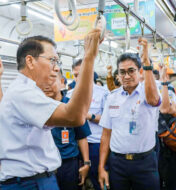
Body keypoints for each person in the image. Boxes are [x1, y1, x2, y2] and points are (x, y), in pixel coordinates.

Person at [0, 29, 102, 189]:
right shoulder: (23, 93)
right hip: (29, 183)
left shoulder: (30, 91)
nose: (56, 68)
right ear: (30, 61)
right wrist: (89, 58)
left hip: (37, 179)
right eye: (52, 60)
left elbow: (79, 113)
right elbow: (75, 116)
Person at [98, 38, 161, 190]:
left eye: (131, 71)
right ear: (118, 75)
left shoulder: (147, 92)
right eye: (122, 72)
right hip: (118, 164)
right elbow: (106, 134)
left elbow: (153, 100)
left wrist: (146, 62)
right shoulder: (112, 98)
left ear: (140, 72)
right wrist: (101, 167)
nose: (126, 76)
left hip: (144, 162)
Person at [43, 70, 91, 190]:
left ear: (62, 82)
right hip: (45, 166)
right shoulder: (39, 107)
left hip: (68, 164)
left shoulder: (72, 107)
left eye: (51, 80)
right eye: (43, 81)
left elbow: (82, 137)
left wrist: (86, 163)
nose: (47, 85)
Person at [68, 59, 109, 190]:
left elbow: (108, 120)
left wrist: (88, 116)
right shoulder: (69, 95)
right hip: (76, 146)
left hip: (96, 145)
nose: (78, 78)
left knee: (99, 181)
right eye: (75, 75)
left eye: (81, 73)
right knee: (78, 181)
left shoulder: (103, 93)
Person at [158, 65, 176, 190]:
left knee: (169, 169)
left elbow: (171, 109)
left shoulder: (167, 88)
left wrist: (164, 85)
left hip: (166, 136)